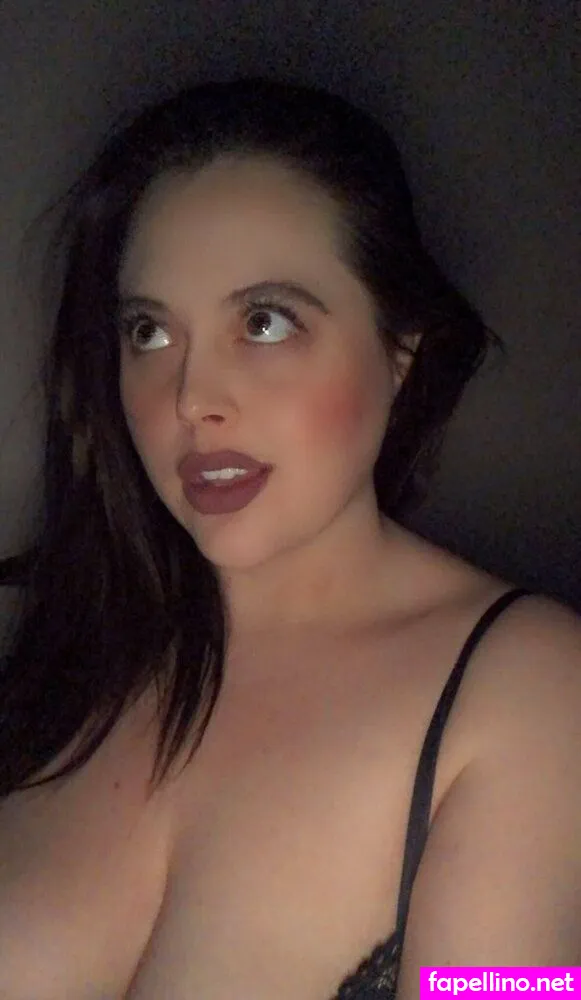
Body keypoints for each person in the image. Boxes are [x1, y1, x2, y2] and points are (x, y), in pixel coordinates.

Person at [0, 76, 579, 1000]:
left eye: (264, 322)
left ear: (399, 352)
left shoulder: (530, 688)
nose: (192, 398)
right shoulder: (74, 650)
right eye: (149, 332)